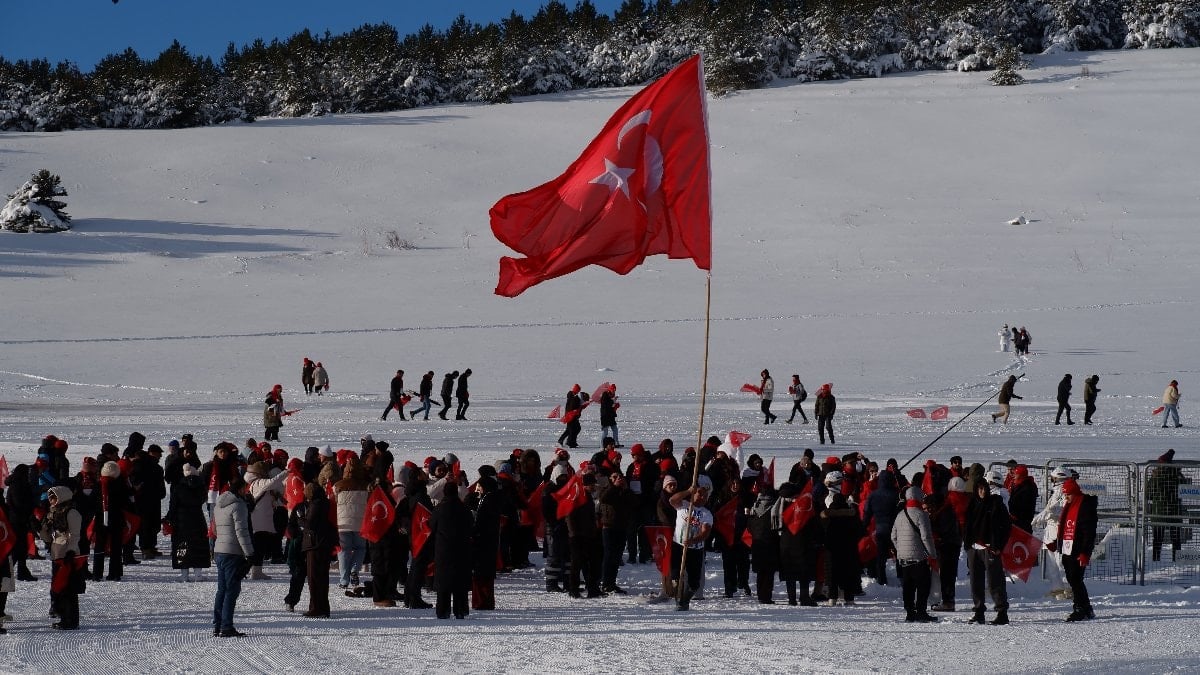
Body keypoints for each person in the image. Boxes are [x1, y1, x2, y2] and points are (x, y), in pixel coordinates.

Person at [212, 474, 254, 638]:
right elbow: (241, 532)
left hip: (219, 551)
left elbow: (215, 530)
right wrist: (249, 553)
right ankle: (226, 626)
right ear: (241, 489)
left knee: (221, 590)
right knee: (231, 590)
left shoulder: (219, 504)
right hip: (233, 552)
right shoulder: (239, 506)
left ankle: (218, 624)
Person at [965, 479, 1011, 625]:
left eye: (984, 488)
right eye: (979, 489)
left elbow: (1006, 527)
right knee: (975, 582)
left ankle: (1002, 612)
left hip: (990, 549)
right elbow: (966, 525)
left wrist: (999, 546)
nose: (982, 492)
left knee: (995, 581)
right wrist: (967, 544)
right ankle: (979, 612)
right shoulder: (972, 504)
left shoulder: (996, 504)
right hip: (974, 548)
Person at [891, 485, 938, 623]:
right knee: (923, 585)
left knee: (908, 586)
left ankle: (910, 613)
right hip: (919, 557)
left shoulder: (900, 514)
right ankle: (922, 612)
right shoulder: (921, 514)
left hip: (904, 558)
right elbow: (926, 537)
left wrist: (900, 550)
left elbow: (893, 536)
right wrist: (932, 554)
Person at [41, 486, 83, 630]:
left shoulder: (72, 513)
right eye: (50, 498)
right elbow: (47, 537)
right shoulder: (53, 514)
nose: (51, 501)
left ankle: (71, 620)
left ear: (61, 497)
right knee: (58, 586)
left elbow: (75, 535)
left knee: (68, 588)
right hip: (57, 553)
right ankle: (63, 615)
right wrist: (42, 527)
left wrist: (71, 551)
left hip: (68, 554)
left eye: (54, 497)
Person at [1056, 478, 1098, 621]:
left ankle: (1079, 608)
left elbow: (1089, 533)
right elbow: (1065, 527)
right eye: (1065, 494)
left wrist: (1085, 553)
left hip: (1078, 549)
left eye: (1068, 494)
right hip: (1068, 548)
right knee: (1073, 579)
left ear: (1075, 493)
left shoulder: (1085, 506)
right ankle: (1086, 608)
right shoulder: (1069, 505)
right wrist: (1057, 543)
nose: (1066, 497)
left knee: (1075, 579)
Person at [430, 482, 473, 619]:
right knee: (460, 580)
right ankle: (461, 609)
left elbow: (432, 526)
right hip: (462, 548)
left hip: (443, 549)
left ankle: (443, 610)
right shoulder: (464, 508)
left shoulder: (439, 509)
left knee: (443, 581)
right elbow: (471, 526)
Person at [669, 483, 713, 610]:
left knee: (694, 583)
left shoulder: (706, 514)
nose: (702, 497)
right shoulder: (682, 505)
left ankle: (685, 599)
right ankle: (679, 599)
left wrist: (693, 540)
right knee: (676, 577)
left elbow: (705, 533)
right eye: (699, 493)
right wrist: (688, 490)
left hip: (695, 550)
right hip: (679, 545)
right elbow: (672, 500)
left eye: (705, 496)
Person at [1033, 466, 1076, 599]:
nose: (1052, 479)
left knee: (1060, 561)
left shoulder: (1066, 491)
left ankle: (1069, 589)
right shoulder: (1057, 490)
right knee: (1051, 562)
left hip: (1059, 529)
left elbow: (1058, 510)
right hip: (1050, 530)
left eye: (1053, 477)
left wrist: (1043, 516)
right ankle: (1056, 588)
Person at [165, 463, 211, 581]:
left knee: (182, 546)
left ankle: (184, 575)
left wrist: (168, 518)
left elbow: (173, 506)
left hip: (181, 520)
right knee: (198, 546)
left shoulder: (179, 487)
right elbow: (203, 500)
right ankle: (198, 575)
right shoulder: (201, 486)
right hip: (197, 519)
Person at [1146, 449, 1186, 561]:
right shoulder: (1177, 476)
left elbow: (1148, 495)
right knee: (1176, 539)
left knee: (1157, 539)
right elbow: (1185, 490)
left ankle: (1156, 560)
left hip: (1159, 513)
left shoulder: (1156, 477)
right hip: (1175, 513)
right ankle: (1176, 561)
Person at [557, 385, 583, 449]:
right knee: (573, 429)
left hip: (572, 416)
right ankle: (570, 442)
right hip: (571, 416)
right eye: (578, 390)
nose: (578, 392)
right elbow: (572, 407)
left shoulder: (573, 396)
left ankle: (568, 441)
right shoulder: (573, 397)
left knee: (573, 429)